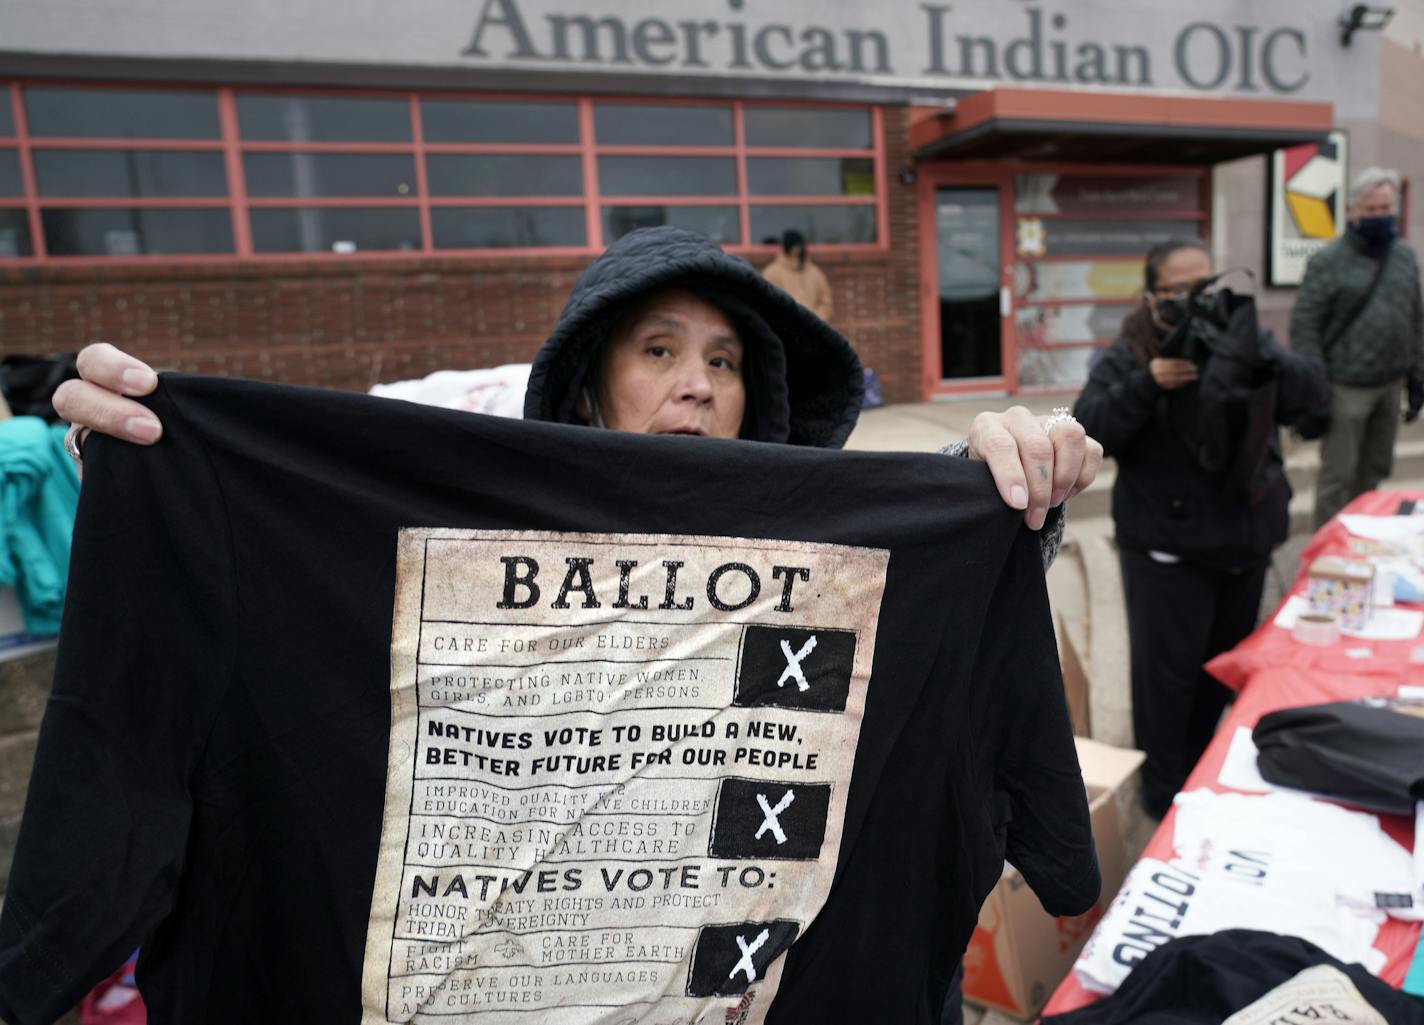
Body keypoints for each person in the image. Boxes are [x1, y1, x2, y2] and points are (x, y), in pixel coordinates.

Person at [48, 226, 1101, 1022]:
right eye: (657, 349)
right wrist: (165, 498)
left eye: (727, 360)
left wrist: (1000, 513)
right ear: (590, 377)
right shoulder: (445, 550)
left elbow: (936, 684)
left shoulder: (847, 580)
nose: (696, 383)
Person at [1073, 238, 1327, 819]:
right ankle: (1164, 798)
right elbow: (1089, 427)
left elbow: (1313, 400)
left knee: (1221, 677)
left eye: (1206, 286)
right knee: (1166, 687)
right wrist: (1149, 382)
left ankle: (1207, 774)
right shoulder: (1134, 349)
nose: (1196, 300)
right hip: (1167, 551)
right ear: (1152, 295)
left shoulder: (1244, 336)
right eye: (1179, 290)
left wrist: (1261, 358)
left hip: (1244, 541)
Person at [1291, 166, 1424, 528]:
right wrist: (1313, 386)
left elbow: (1415, 319)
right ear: (1352, 211)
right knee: (1338, 475)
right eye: (1372, 210)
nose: (1381, 217)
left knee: (1375, 469)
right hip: (1344, 386)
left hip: (1389, 384)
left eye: (1387, 209)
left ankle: (1362, 536)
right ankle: (1327, 547)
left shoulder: (1404, 258)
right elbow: (1305, 327)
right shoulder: (1328, 261)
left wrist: (1417, 378)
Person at [761, 229, 834, 322]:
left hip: (812, 330)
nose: (799, 250)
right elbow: (765, 303)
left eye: (801, 246)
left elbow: (826, 301)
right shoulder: (771, 273)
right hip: (785, 331)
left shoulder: (815, 272)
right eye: (796, 246)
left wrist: (817, 320)